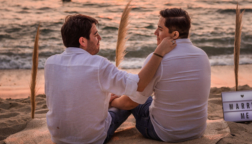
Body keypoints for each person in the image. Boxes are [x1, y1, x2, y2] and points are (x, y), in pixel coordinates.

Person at [44, 14, 176, 144]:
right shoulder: (98, 65)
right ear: (82, 41)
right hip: (92, 139)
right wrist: (159, 52)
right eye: (95, 34)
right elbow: (139, 85)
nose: (100, 38)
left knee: (113, 94)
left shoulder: (50, 63)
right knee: (134, 97)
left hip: (58, 137)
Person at [110, 8, 211, 142]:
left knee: (130, 98)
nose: (155, 32)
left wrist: (113, 101)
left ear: (174, 34)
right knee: (143, 96)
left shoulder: (158, 59)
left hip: (164, 132)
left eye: (160, 29)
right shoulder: (203, 55)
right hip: (196, 130)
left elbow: (130, 103)